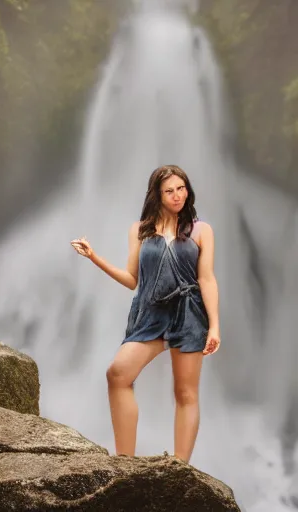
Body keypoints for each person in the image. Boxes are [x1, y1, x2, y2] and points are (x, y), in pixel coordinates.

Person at [70, 165, 220, 463]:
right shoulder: (140, 230)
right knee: (117, 374)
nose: (177, 196)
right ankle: (125, 462)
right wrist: (94, 257)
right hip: (150, 313)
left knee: (185, 392)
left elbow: (206, 278)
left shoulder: (201, 230)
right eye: (169, 191)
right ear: (157, 195)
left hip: (188, 313)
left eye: (182, 188)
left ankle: (179, 468)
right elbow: (132, 280)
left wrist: (214, 326)